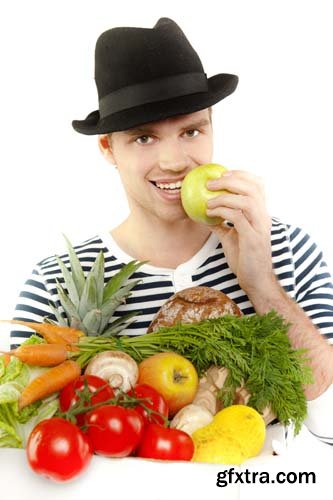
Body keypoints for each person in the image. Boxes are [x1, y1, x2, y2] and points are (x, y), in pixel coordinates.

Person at [9, 17, 333, 445]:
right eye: (144, 138)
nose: (174, 161)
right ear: (108, 147)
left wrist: (263, 287)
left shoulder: (287, 249)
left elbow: (328, 421)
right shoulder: (55, 283)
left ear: (212, 125)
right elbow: (21, 440)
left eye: (191, 130)